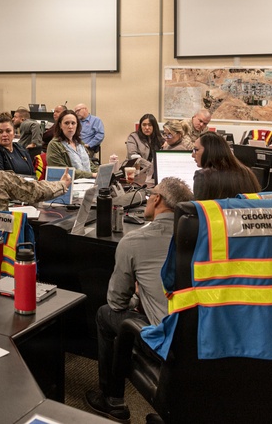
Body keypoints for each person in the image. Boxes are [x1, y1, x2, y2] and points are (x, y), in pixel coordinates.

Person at [86, 177, 195, 422]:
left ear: (157, 199)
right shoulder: (203, 239)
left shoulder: (134, 241)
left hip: (167, 344)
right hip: (204, 340)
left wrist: (137, 297)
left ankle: (113, 401)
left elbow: (116, 303)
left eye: (150, 195)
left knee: (105, 314)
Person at [191, 132, 261, 199]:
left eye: (196, 150)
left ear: (209, 151)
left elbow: (199, 209)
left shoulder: (203, 177)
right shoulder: (247, 173)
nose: (193, 155)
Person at [46, 109, 97, 179]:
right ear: (60, 125)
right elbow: (63, 172)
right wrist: (92, 175)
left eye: (73, 123)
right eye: (66, 123)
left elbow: (90, 166)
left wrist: (101, 172)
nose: (70, 126)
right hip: (70, 185)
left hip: (88, 182)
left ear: (77, 125)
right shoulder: (54, 145)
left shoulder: (79, 143)